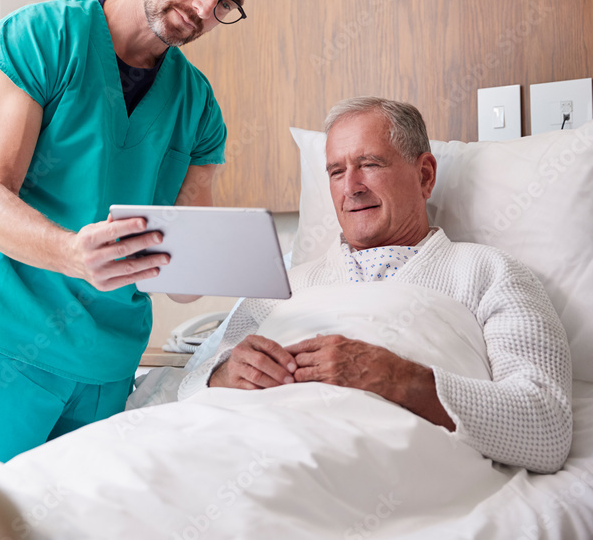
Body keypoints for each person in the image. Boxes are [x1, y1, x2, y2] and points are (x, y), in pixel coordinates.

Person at [0, 0, 275, 466]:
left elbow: (181, 274)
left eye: (226, 4)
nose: (204, 9)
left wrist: (223, 269)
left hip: (105, 367)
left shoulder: (199, 108)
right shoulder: (40, 39)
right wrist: (72, 253)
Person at [179, 97, 573, 473]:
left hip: (363, 469)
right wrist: (225, 375)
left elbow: (545, 426)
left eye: (369, 164)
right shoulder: (283, 285)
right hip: (238, 451)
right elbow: (189, 388)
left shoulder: (489, 272)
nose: (351, 186)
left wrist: (396, 378)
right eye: (336, 171)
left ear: (425, 175)